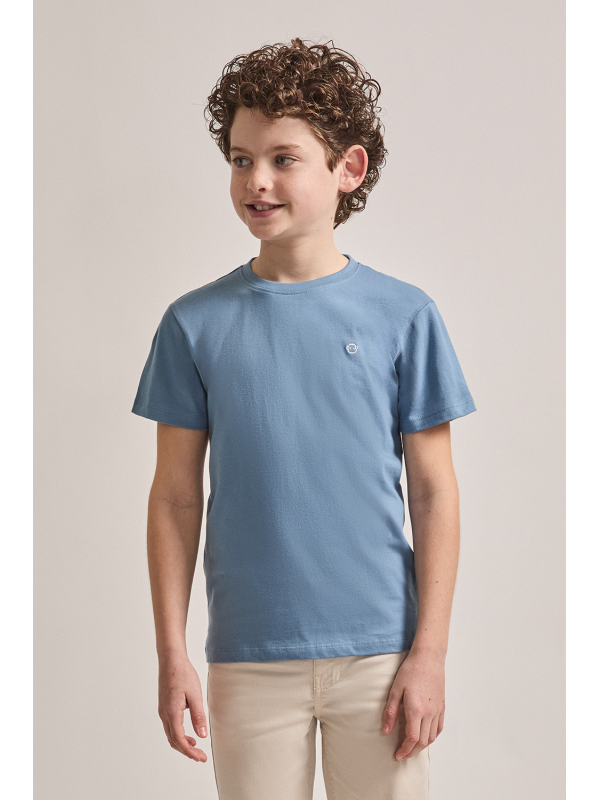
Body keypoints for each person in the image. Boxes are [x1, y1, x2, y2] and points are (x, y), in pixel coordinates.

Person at [132, 37, 476, 800]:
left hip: (381, 655)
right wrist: (171, 652)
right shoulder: (193, 324)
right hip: (248, 656)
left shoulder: (405, 316)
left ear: (346, 168)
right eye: (241, 158)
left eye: (283, 158)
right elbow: (175, 497)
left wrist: (429, 654)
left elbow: (434, 492)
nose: (256, 180)